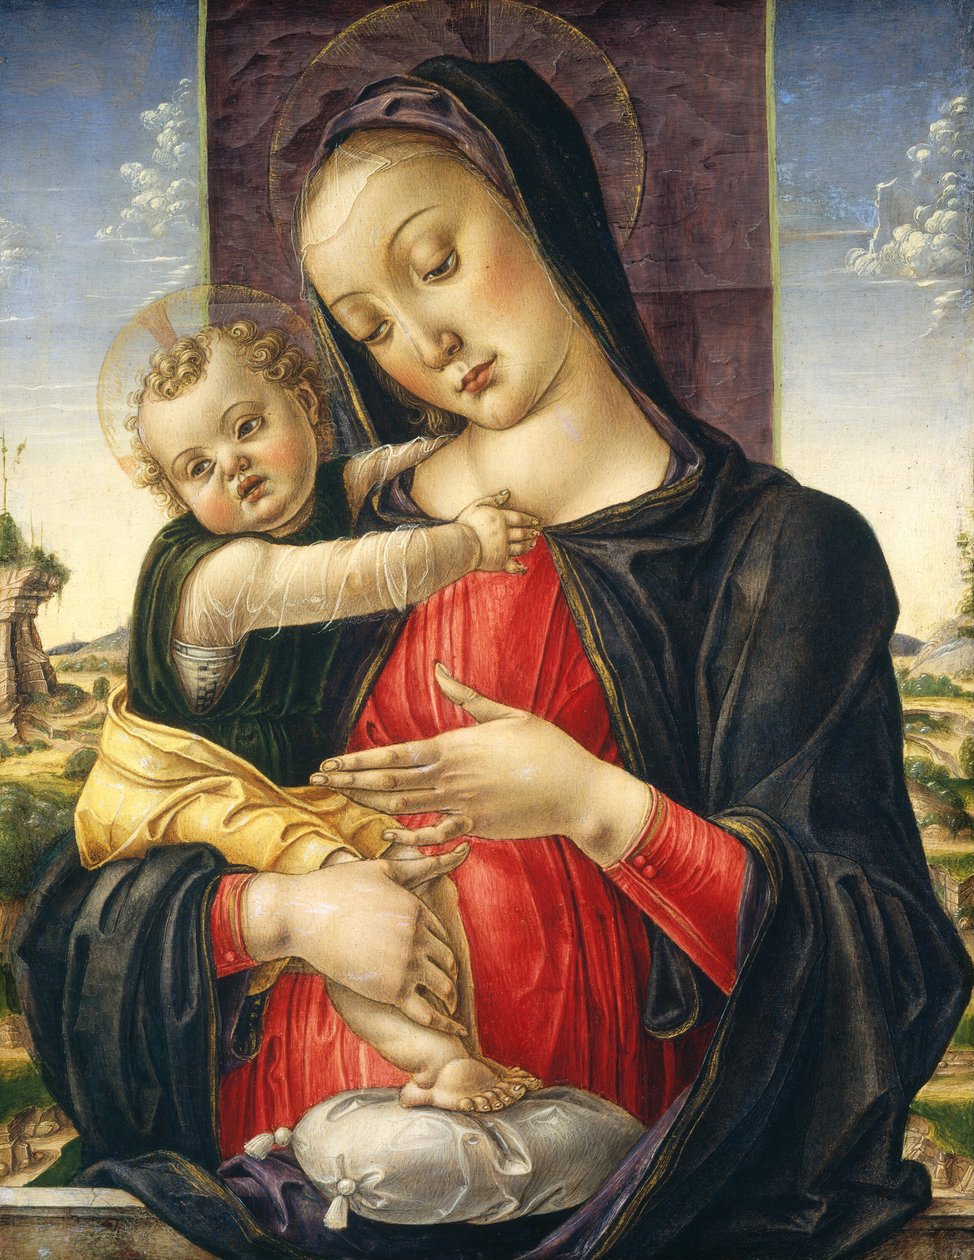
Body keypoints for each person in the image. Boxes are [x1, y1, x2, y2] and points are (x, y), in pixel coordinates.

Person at [11, 56, 971, 1260]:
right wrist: (277, 910)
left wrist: (597, 805)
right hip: (305, 1193)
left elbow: (874, 968)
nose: (427, 341)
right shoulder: (327, 547)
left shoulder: (777, 554)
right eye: (371, 327)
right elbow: (91, 908)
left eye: (437, 263)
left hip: (631, 1206)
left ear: (542, 213)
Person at [76, 309, 540, 1114]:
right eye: (197, 467)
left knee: (413, 867)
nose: (233, 467)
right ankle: (434, 1061)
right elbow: (355, 576)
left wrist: (462, 444)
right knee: (350, 892)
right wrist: (468, 543)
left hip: (279, 780)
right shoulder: (221, 574)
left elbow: (388, 467)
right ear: (175, 495)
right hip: (187, 784)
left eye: (246, 428)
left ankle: (455, 1054)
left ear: (309, 409)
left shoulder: (327, 489)